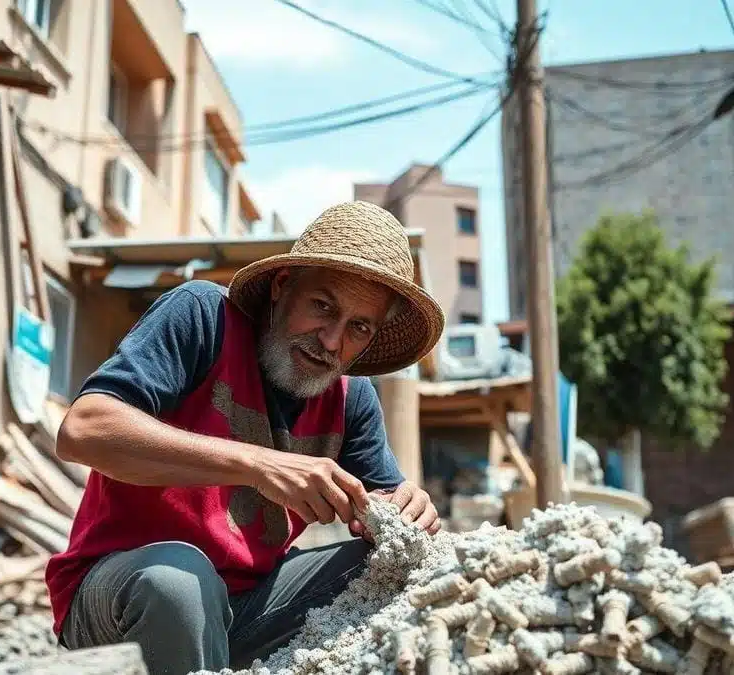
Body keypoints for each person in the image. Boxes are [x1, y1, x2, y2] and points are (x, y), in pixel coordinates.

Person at [46, 201, 447, 674]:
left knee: (391, 565)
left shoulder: (351, 398)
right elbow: (84, 430)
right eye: (322, 307)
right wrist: (258, 465)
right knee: (179, 582)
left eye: (358, 327)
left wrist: (410, 510)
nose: (332, 341)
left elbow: (388, 513)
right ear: (282, 286)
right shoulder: (204, 317)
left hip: (248, 609)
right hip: (123, 597)